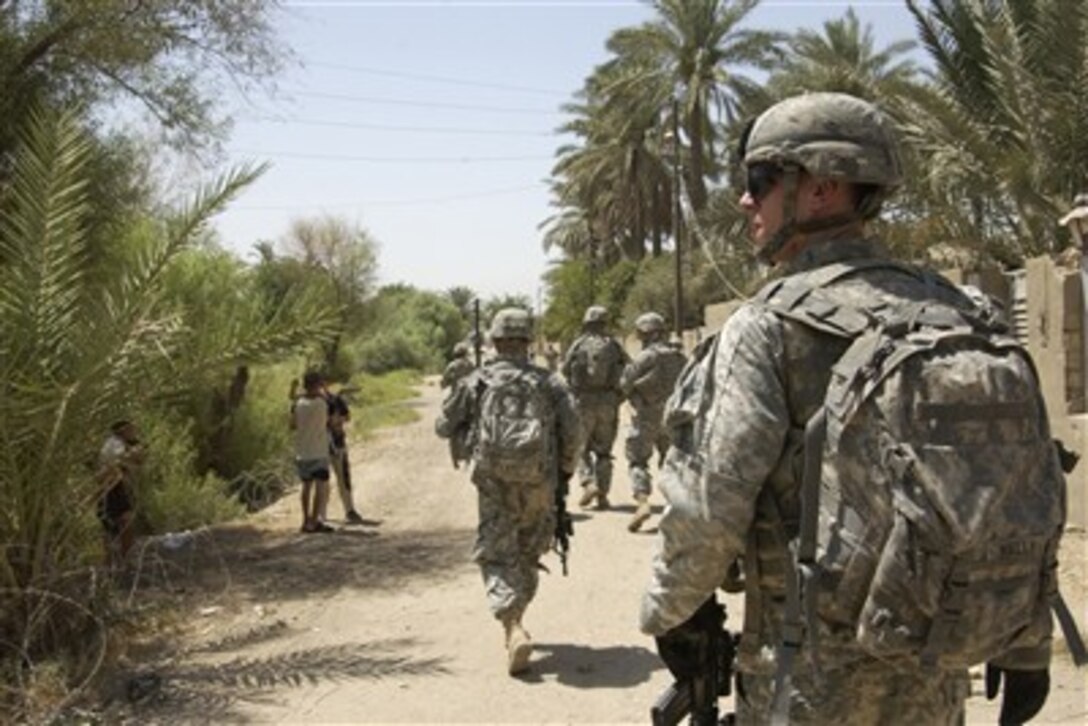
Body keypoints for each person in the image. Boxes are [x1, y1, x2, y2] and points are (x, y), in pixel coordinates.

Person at [641, 92, 1064, 725]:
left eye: (760, 180)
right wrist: (1027, 640)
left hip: (806, 680)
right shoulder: (966, 313)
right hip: (933, 673)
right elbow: (1020, 489)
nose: (745, 200)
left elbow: (708, 507)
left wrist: (671, 615)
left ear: (823, 188)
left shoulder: (767, 328)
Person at [435, 307, 580, 675]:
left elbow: (442, 425)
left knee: (497, 555)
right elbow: (573, 428)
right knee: (529, 551)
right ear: (527, 340)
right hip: (539, 480)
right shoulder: (549, 382)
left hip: (493, 483)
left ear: (496, 341)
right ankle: (517, 619)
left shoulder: (477, 380)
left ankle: (511, 624)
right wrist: (564, 470)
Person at [618, 312, 686, 533]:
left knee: (638, 461)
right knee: (672, 463)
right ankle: (674, 508)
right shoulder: (679, 357)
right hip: (673, 417)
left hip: (646, 416)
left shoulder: (644, 357)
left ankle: (643, 502)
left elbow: (625, 384)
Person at [561, 305, 629, 510]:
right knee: (604, 452)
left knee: (581, 448)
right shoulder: (614, 346)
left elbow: (564, 370)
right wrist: (619, 397)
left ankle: (588, 482)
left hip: (582, 401)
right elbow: (629, 370)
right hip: (608, 402)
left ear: (587, 323)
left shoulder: (578, 345)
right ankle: (603, 496)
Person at [290, 369, 333, 533]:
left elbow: (292, 425)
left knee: (306, 487)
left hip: (302, 451)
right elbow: (328, 421)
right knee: (320, 487)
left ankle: (305, 520)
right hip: (319, 451)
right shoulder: (322, 404)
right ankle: (314, 522)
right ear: (318, 385)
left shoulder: (298, 405)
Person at [96, 419, 144, 564]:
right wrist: (134, 453)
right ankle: (121, 560)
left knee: (115, 526)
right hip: (110, 489)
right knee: (122, 522)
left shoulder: (118, 443)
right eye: (131, 430)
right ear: (123, 431)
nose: (134, 432)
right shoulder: (115, 443)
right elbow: (121, 458)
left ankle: (117, 562)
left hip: (114, 488)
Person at [322, 382, 364, 525]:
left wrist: (337, 421)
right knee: (322, 481)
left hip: (338, 443)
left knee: (343, 477)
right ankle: (322, 514)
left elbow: (347, 416)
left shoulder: (335, 399)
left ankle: (349, 509)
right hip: (319, 446)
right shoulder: (310, 402)